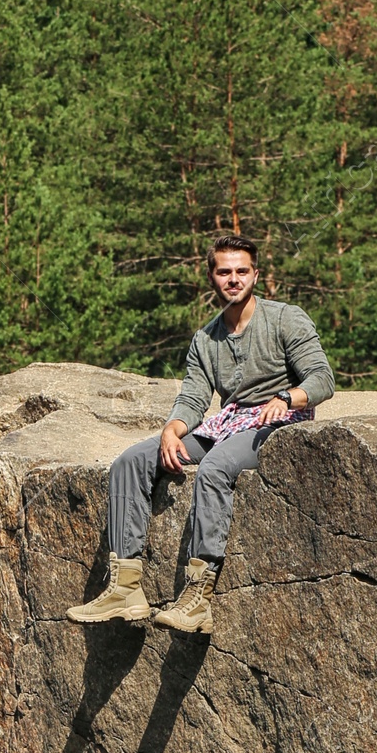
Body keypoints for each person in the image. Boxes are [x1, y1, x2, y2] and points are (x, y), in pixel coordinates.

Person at [69, 235, 336, 636]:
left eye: (242, 271)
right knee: (132, 460)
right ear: (211, 277)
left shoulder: (286, 318)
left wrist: (288, 397)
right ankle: (125, 587)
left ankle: (199, 597)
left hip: (281, 423)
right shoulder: (205, 339)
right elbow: (194, 399)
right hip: (229, 422)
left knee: (215, 467)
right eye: (224, 272)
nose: (234, 279)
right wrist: (171, 431)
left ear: (256, 274)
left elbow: (322, 378)